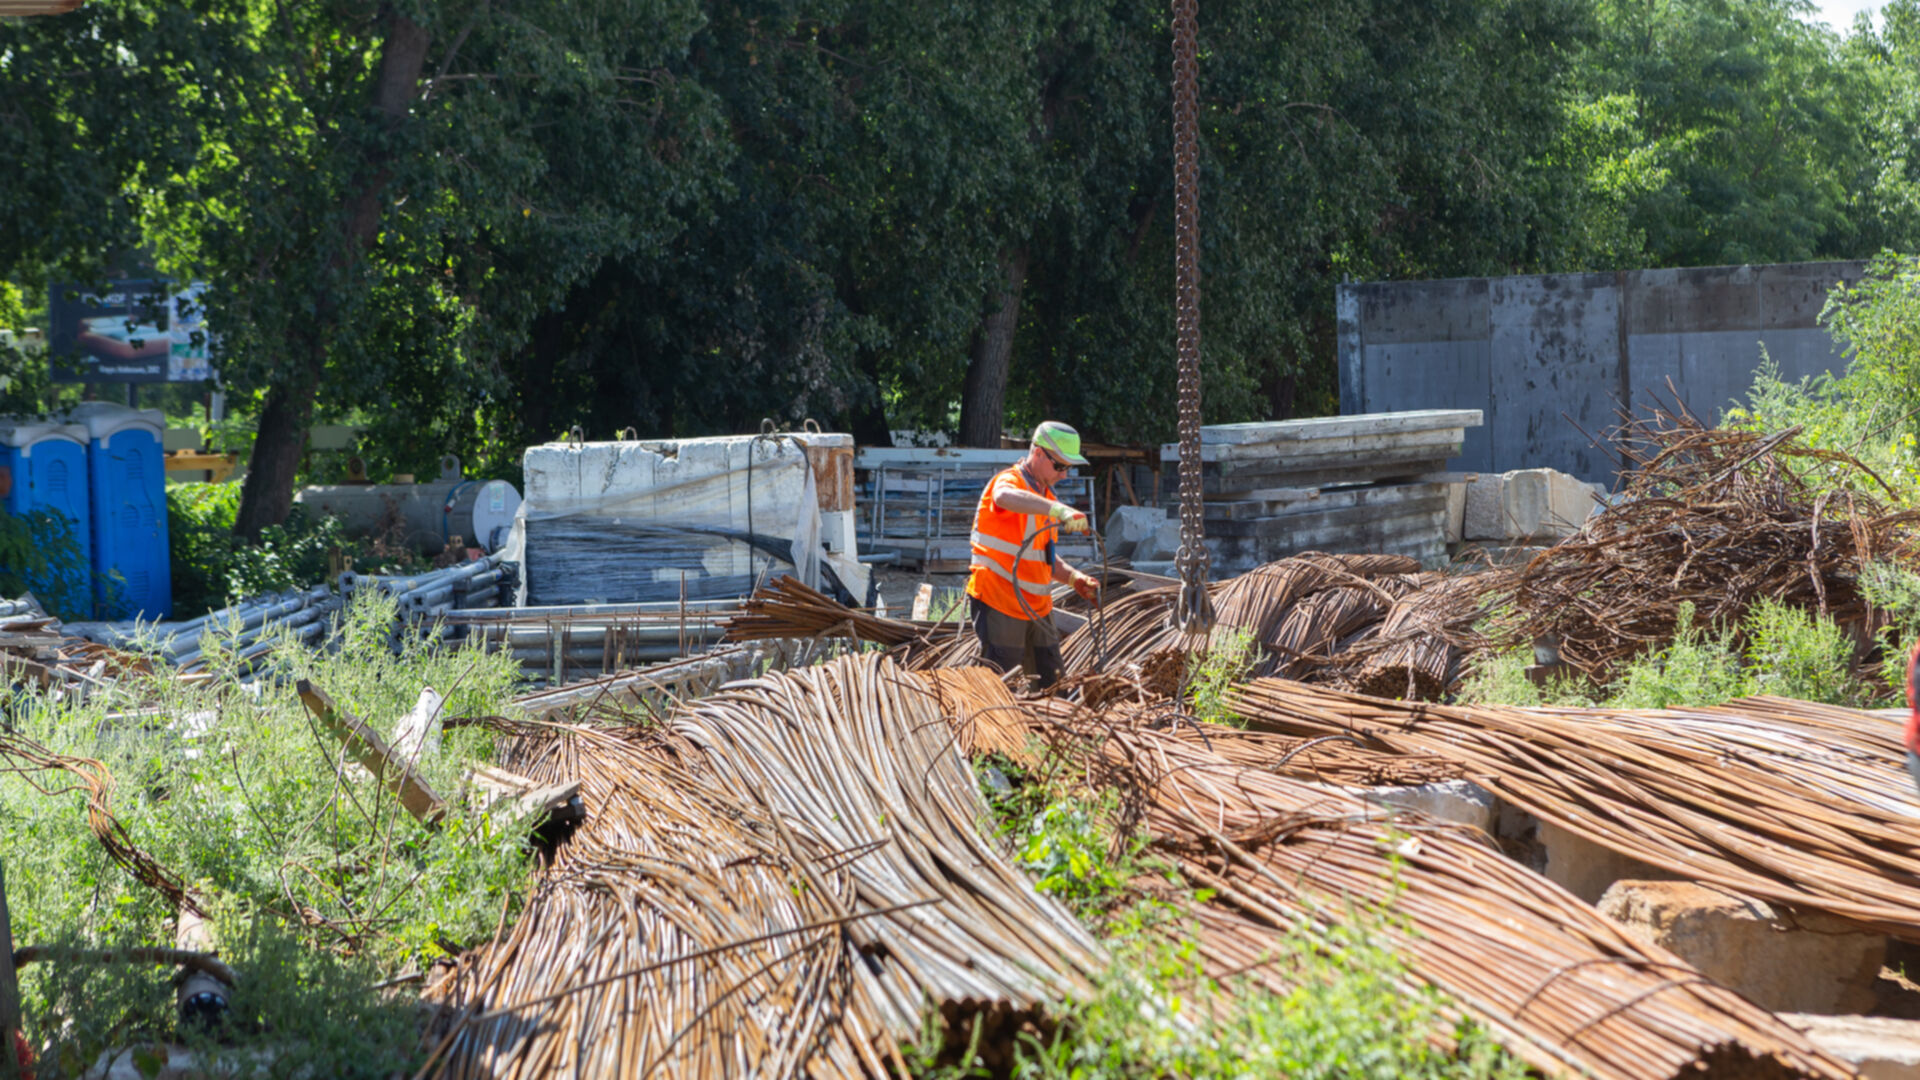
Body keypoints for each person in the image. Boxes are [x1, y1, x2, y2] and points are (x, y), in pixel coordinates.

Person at [966, 421, 1101, 688]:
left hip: (1038, 610)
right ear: (1038, 453)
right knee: (999, 690)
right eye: (1060, 466)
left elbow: (1046, 560)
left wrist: (1074, 579)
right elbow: (1004, 496)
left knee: (1053, 688)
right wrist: (1058, 509)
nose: (1063, 475)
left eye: (1067, 468)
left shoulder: (1045, 497)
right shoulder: (1010, 481)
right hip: (1000, 601)